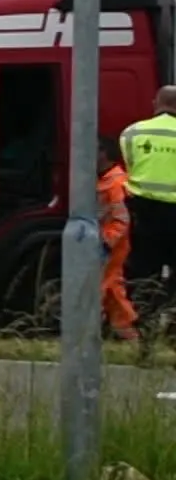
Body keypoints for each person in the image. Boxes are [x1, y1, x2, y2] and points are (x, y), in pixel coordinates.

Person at [121, 86, 176, 313]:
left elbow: (129, 166)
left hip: (144, 214)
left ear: (155, 103)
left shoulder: (132, 133)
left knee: (143, 272)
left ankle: (144, 321)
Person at [97, 133, 139, 342]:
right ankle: (130, 334)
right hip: (107, 244)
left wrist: (106, 242)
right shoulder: (107, 180)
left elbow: (121, 219)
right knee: (111, 291)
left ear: (104, 154)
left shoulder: (115, 183)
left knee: (107, 288)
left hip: (112, 247)